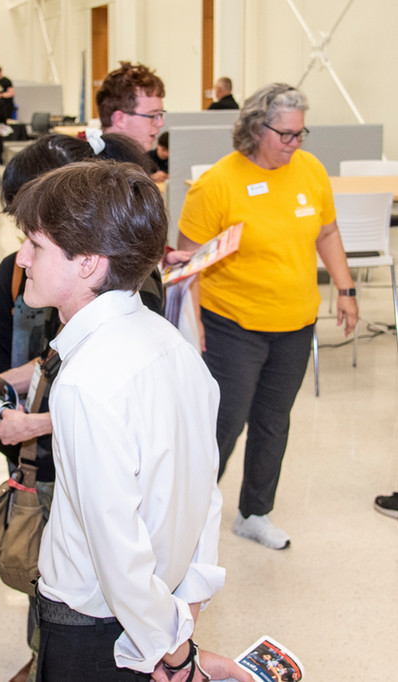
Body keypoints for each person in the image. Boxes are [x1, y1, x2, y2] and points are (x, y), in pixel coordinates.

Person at [7, 161, 250, 682]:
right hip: (159, 614)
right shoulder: (174, 347)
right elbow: (203, 493)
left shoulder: (84, 383)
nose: (21, 257)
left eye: (36, 245)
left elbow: (117, 548)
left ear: (89, 263)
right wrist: (185, 614)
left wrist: (175, 652)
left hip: (91, 627)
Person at [0, 132, 159, 682]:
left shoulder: (124, 297)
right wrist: (6, 385)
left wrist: (37, 421)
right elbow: (51, 360)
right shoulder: (53, 287)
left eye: (37, 231)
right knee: (45, 568)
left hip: (66, 456)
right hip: (37, 445)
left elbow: (119, 408)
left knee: (74, 582)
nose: (23, 248)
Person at [177, 83, 358, 550]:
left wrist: (346, 288)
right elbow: (186, 262)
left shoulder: (310, 170)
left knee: (274, 421)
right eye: (286, 134)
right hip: (232, 325)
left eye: (301, 133)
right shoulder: (216, 183)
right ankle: (186, 517)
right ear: (257, 128)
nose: (296, 143)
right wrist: (193, 324)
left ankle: (254, 512)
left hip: (295, 324)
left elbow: (328, 231)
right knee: (225, 422)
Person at [96, 61, 167, 181]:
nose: (161, 123)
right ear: (120, 119)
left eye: (160, 115)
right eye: (152, 115)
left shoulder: (129, 166)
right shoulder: (107, 180)